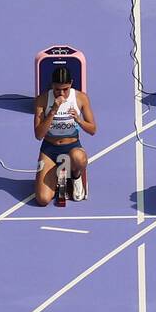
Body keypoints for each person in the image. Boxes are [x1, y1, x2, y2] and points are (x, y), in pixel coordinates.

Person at [33, 66, 96, 207]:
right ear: (52, 85)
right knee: (42, 200)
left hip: (72, 147)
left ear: (71, 84)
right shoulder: (42, 100)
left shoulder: (80, 98)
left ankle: (76, 175)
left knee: (78, 158)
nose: (61, 93)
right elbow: (38, 135)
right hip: (49, 150)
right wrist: (53, 111)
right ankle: (59, 172)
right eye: (57, 89)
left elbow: (93, 130)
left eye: (65, 89)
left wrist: (79, 120)